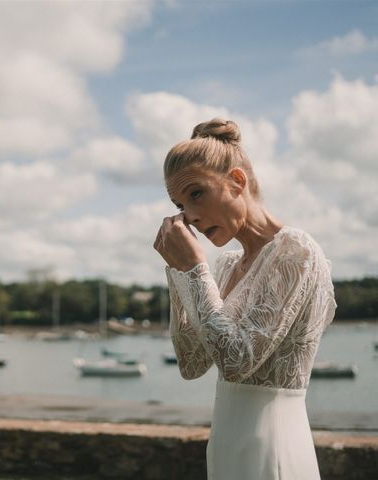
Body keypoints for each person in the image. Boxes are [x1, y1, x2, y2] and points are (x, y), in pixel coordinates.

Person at [153, 118, 336, 479]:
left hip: (273, 445)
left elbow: (236, 361)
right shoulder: (226, 265)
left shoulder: (295, 251)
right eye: (179, 204)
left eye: (196, 193)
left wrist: (192, 269)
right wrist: (178, 273)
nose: (189, 216)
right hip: (225, 444)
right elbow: (192, 364)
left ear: (237, 182)